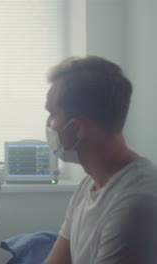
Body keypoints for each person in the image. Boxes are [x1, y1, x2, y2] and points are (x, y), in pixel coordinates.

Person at [43, 56, 157, 264]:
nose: (48, 124)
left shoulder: (136, 204)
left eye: (52, 115)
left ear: (77, 129)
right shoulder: (89, 185)